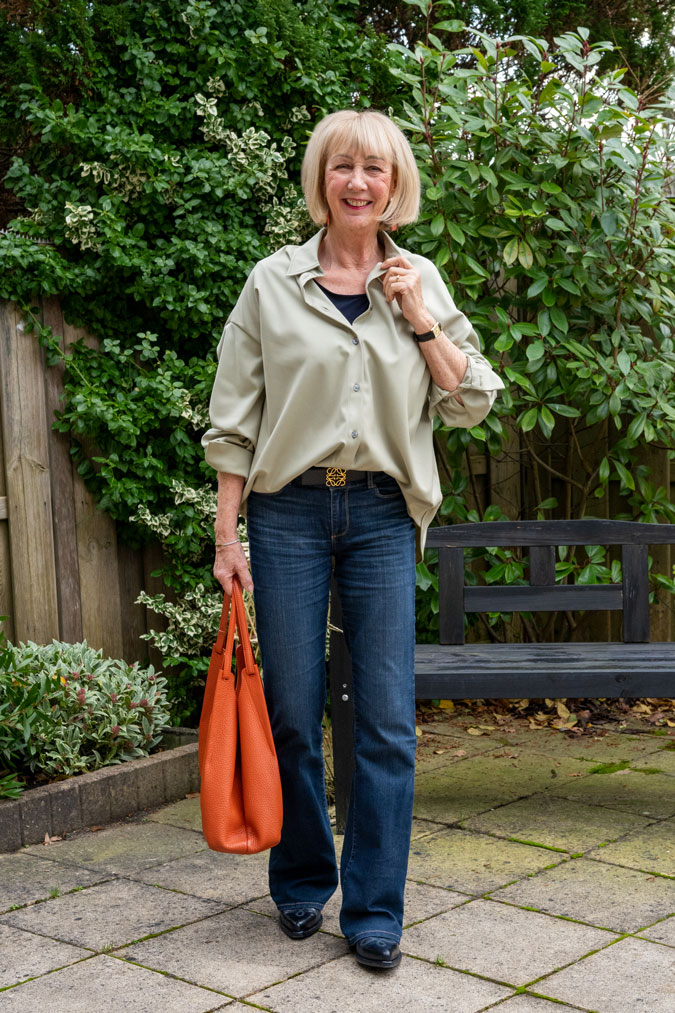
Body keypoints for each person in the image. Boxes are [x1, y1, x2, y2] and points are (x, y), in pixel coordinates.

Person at [202, 109, 504, 970]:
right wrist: (227, 536)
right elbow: (233, 421)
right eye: (342, 166)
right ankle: (302, 878)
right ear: (321, 179)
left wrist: (417, 317)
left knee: (384, 721)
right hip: (287, 514)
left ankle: (373, 907)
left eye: (375, 168)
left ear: (394, 184)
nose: (358, 182)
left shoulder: (419, 279)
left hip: (379, 514)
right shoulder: (272, 282)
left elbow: (470, 399)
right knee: (291, 712)